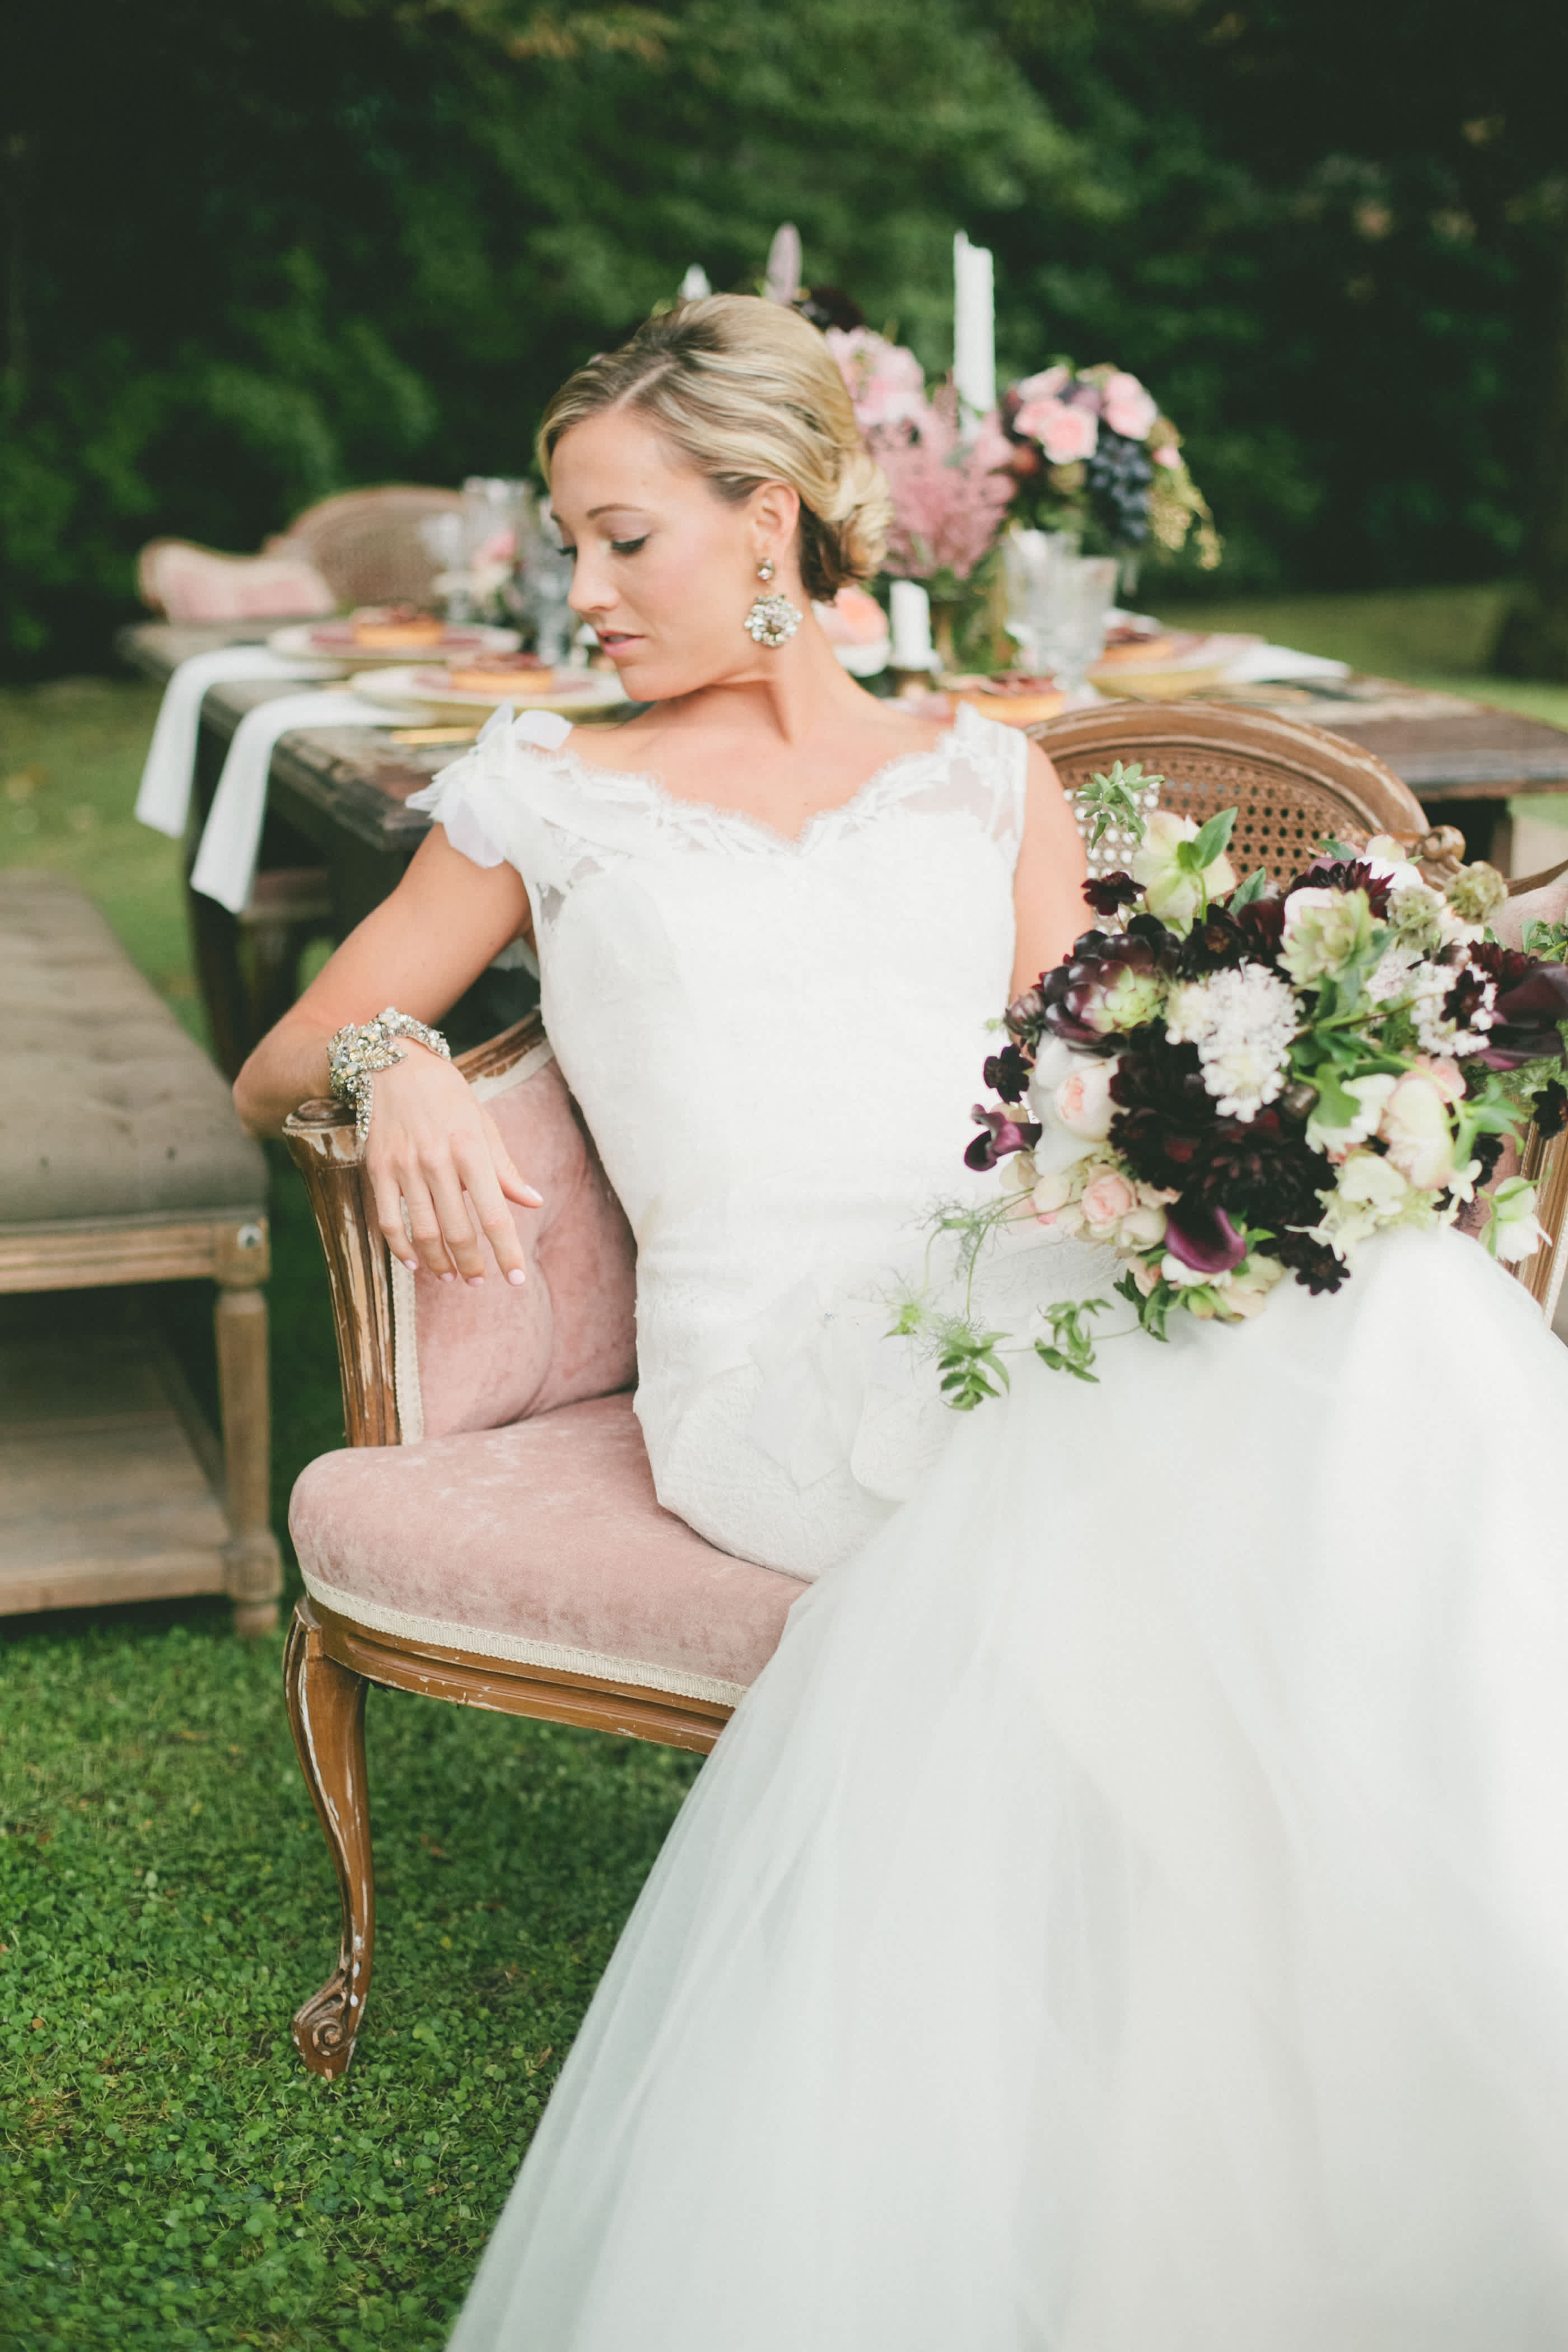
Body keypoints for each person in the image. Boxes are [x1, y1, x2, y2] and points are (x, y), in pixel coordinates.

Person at [237, 296, 1568, 2351]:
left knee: (1395, 1307)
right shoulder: (544, 792)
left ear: (769, 521)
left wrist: (1241, 1137)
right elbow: (286, 1059)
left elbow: (1081, 1095)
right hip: (785, 1372)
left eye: (625, 541)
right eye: (574, 548)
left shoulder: (982, 776)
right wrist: (395, 1058)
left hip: (1017, 1269)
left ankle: (1408, 2041)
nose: (584, 594)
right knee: (1291, 1422)